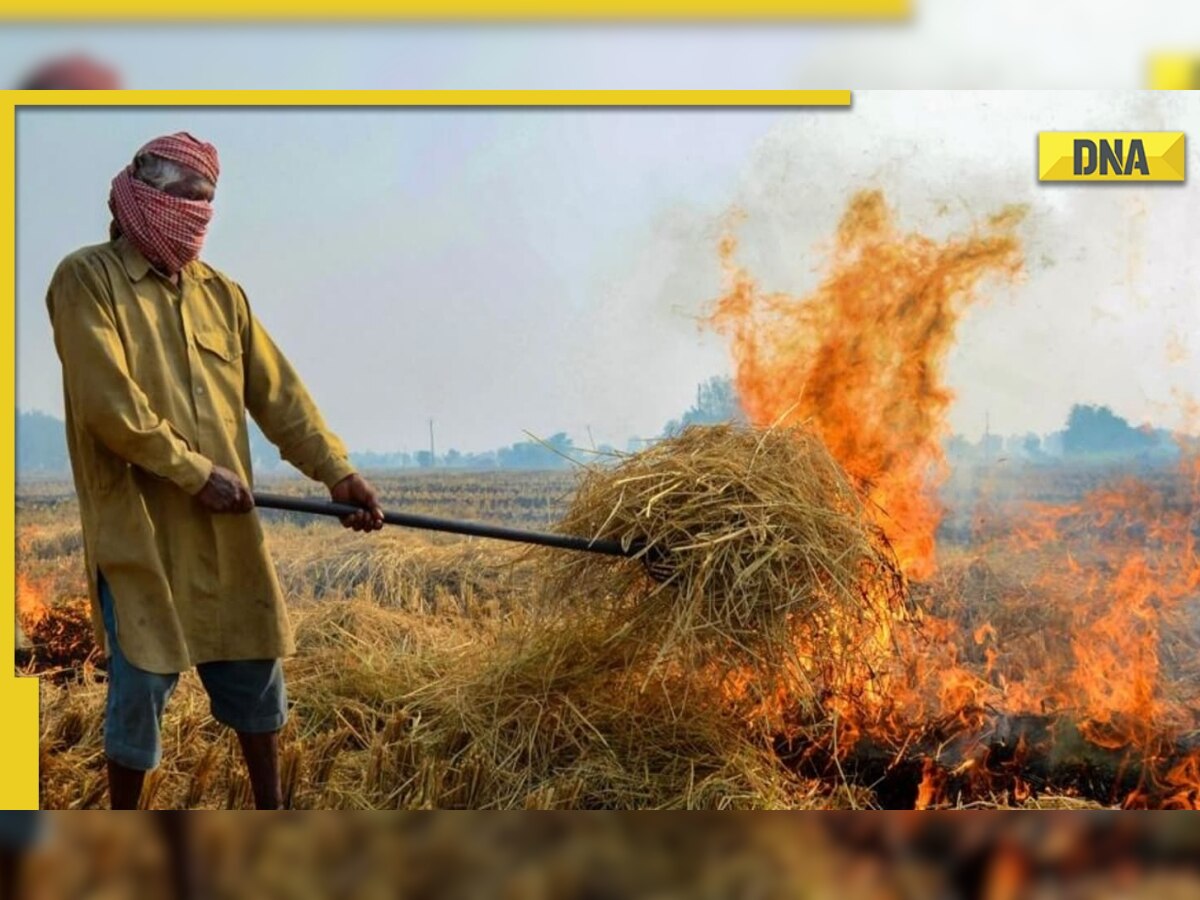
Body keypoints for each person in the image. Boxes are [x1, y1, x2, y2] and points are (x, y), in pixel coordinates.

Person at [45, 132, 385, 809]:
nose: (197, 219)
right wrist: (194, 470)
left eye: (207, 205)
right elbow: (108, 405)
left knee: (256, 678)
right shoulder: (87, 279)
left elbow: (280, 396)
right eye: (185, 202)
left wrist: (336, 472)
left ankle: (271, 812)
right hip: (140, 531)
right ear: (143, 200)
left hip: (225, 530)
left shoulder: (222, 296)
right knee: (139, 691)